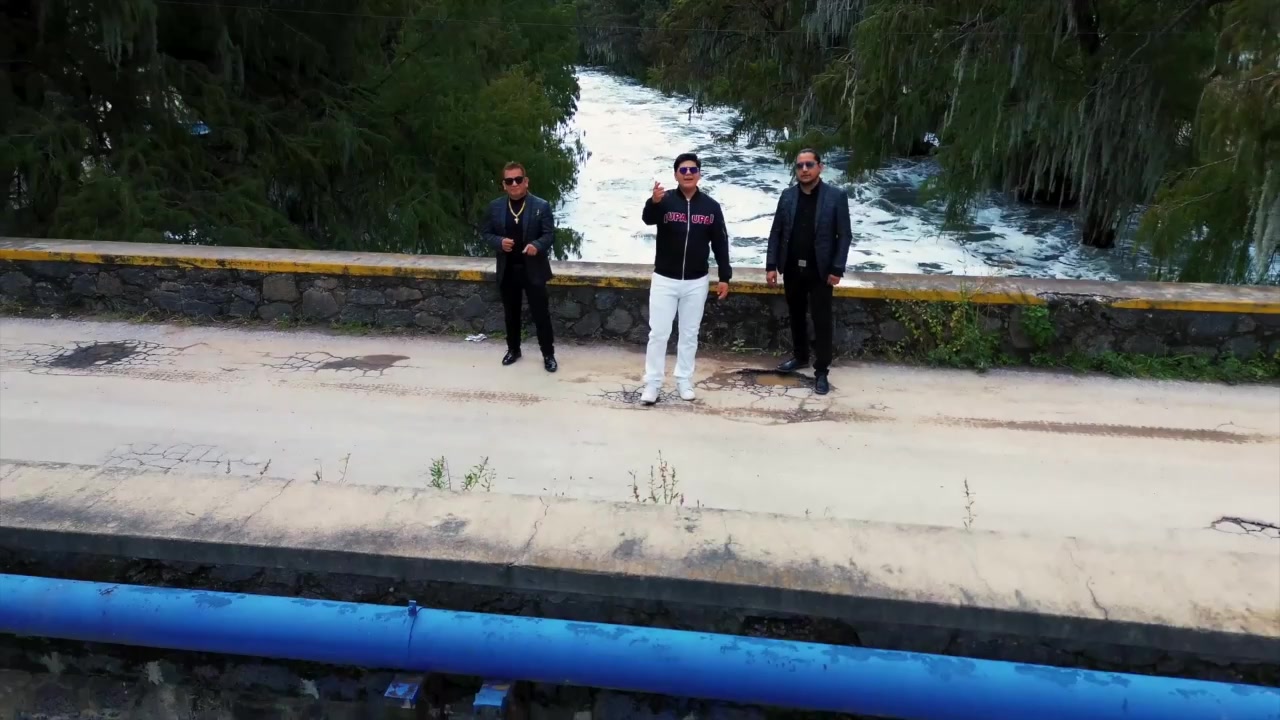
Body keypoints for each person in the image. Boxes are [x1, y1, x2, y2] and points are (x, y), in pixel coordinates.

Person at [639, 152, 732, 405]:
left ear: (699, 174)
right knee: (658, 333)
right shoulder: (664, 200)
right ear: (675, 175)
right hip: (664, 279)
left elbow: (720, 243)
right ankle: (652, 383)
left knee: (689, 334)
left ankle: (684, 380)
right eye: (683, 170)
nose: (688, 174)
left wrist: (725, 276)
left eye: (692, 170)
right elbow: (647, 219)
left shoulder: (711, 207)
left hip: (696, 281)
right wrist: (653, 202)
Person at [765, 149, 852, 395]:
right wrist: (771, 265)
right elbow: (776, 232)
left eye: (809, 165)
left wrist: (837, 268)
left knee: (822, 320)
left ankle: (821, 370)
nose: (804, 169)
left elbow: (844, 235)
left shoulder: (835, 196)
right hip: (792, 267)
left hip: (821, 271)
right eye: (800, 165)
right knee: (796, 315)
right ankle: (800, 356)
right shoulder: (787, 196)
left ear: (820, 167)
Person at [481, 161, 558, 372]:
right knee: (511, 314)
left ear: (526, 181)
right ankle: (513, 350)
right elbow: (486, 233)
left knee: (541, 315)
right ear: (504, 184)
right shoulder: (495, 207)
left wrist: (537, 245)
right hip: (508, 269)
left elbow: (549, 235)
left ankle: (548, 354)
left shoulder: (541, 206)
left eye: (518, 179)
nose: (514, 184)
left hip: (534, 269)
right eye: (509, 181)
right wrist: (499, 242)